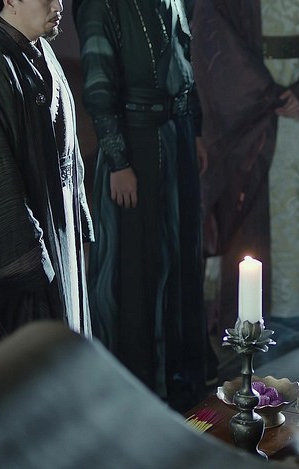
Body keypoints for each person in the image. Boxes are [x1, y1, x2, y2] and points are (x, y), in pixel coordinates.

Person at [190, 0, 299, 373]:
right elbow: (215, 30)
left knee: (296, 210)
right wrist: (262, 92)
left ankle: (295, 319)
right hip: (250, 111)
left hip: (295, 108)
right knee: (250, 218)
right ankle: (246, 330)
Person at [74, 0, 206, 410]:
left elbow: (186, 58)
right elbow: (98, 84)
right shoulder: (101, 5)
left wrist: (194, 131)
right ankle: (139, 381)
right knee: (138, 266)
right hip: (137, 146)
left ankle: (180, 375)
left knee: (181, 260)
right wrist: (118, 162)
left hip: (177, 137)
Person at [0, 0, 93, 371]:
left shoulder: (43, 52)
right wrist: (35, 265)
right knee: (25, 375)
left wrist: (77, 226)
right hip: (26, 264)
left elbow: (70, 156)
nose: (58, 5)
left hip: (60, 240)